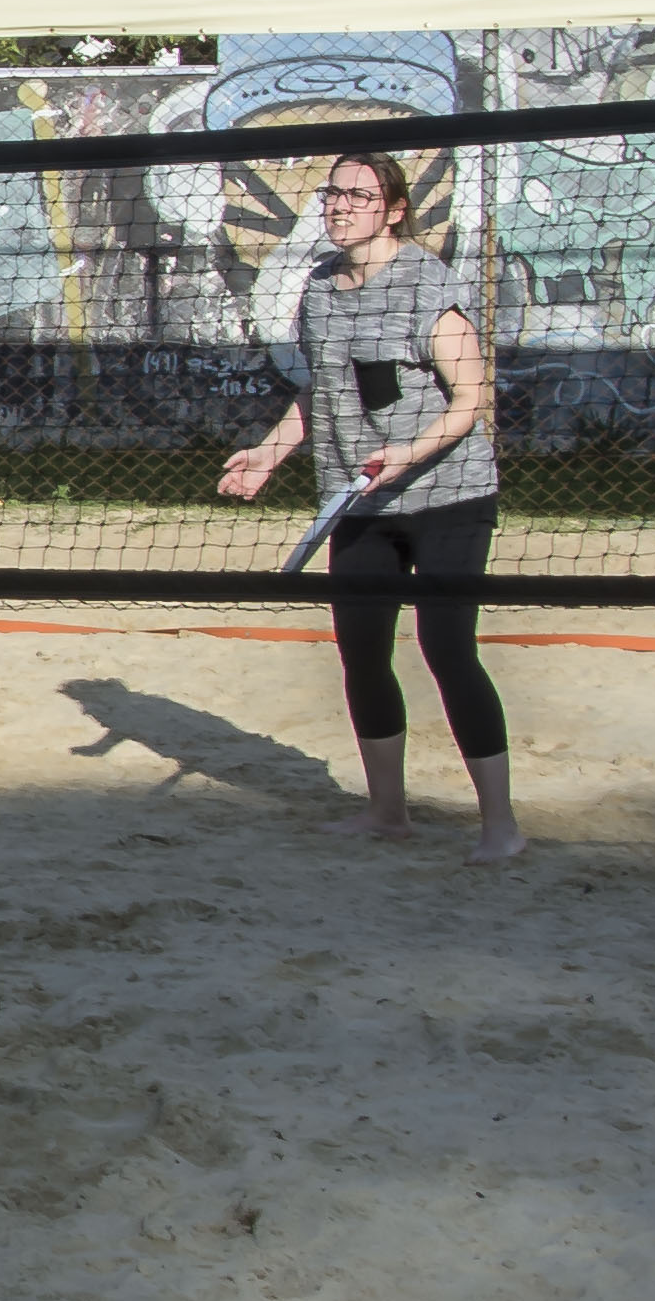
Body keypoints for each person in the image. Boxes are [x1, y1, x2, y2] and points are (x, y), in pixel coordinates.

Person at [219, 149, 524, 864]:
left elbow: (472, 399)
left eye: (358, 195)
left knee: (448, 652)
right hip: (355, 499)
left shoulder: (425, 284)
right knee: (361, 653)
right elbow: (320, 391)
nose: (338, 205)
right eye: (332, 193)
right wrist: (269, 453)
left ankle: (499, 826)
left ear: (392, 210)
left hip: (446, 496)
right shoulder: (320, 288)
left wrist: (407, 454)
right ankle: (387, 812)